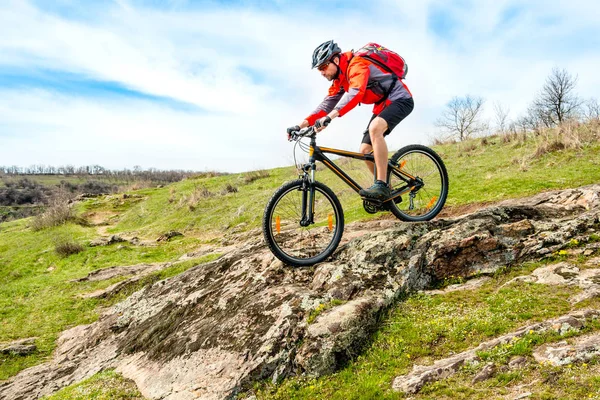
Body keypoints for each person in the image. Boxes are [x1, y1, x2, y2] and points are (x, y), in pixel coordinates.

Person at [287, 40, 414, 199]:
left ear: (336, 60)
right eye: (319, 69)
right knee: (365, 151)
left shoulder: (357, 65)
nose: (322, 72)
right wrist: (300, 125)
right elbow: (326, 104)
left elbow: (355, 93)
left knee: (375, 129)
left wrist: (331, 116)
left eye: (323, 67)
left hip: (400, 99)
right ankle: (388, 193)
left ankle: (381, 185)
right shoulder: (340, 79)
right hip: (382, 105)